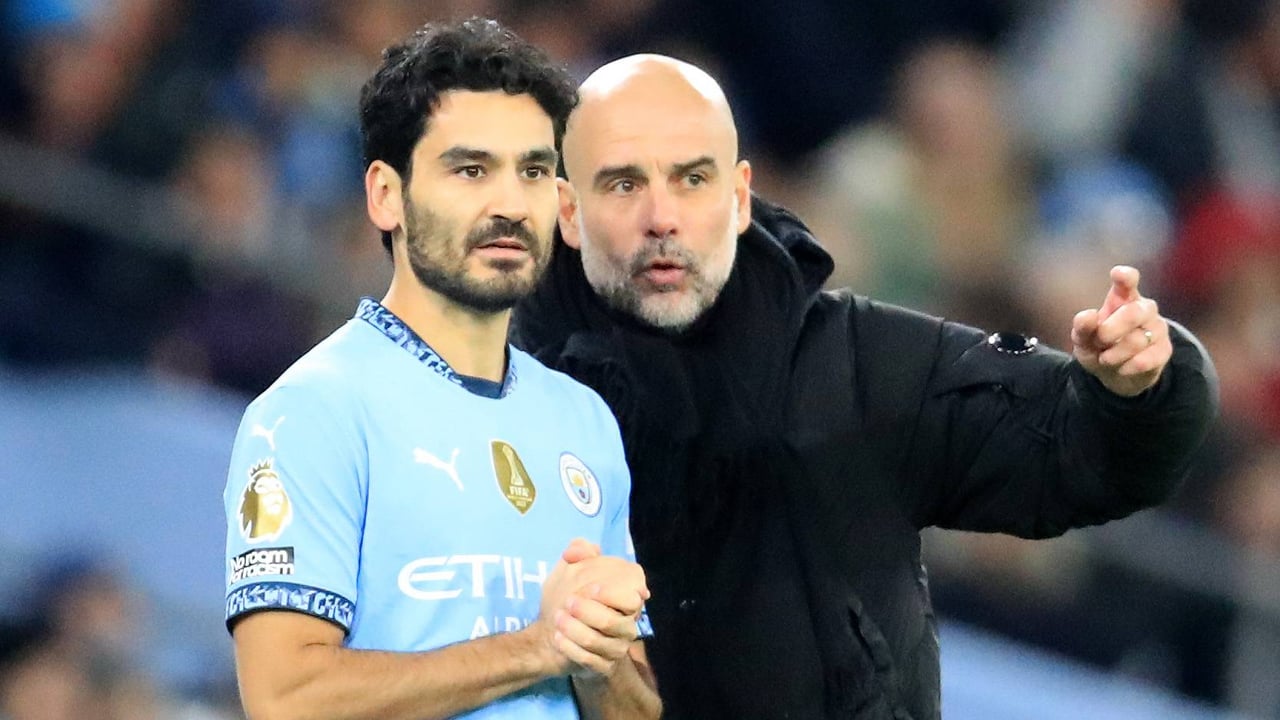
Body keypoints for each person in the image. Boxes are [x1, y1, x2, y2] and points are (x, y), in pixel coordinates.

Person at [511, 54, 1219, 719]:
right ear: (567, 210)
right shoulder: (492, 399)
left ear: (740, 196)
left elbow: (1080, 450)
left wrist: (1137, 386)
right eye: (624, 184)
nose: (661, 217)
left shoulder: (860, 363)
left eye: (692, 179)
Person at [222, 20, 660, 720]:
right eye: (470, 170)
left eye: (533, 171)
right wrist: (540, 647)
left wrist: (596, 656)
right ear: (386, 195)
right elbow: (286, 698)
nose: (510, 205)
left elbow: (633, 709)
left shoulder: (586, 422)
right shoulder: (310, 412)